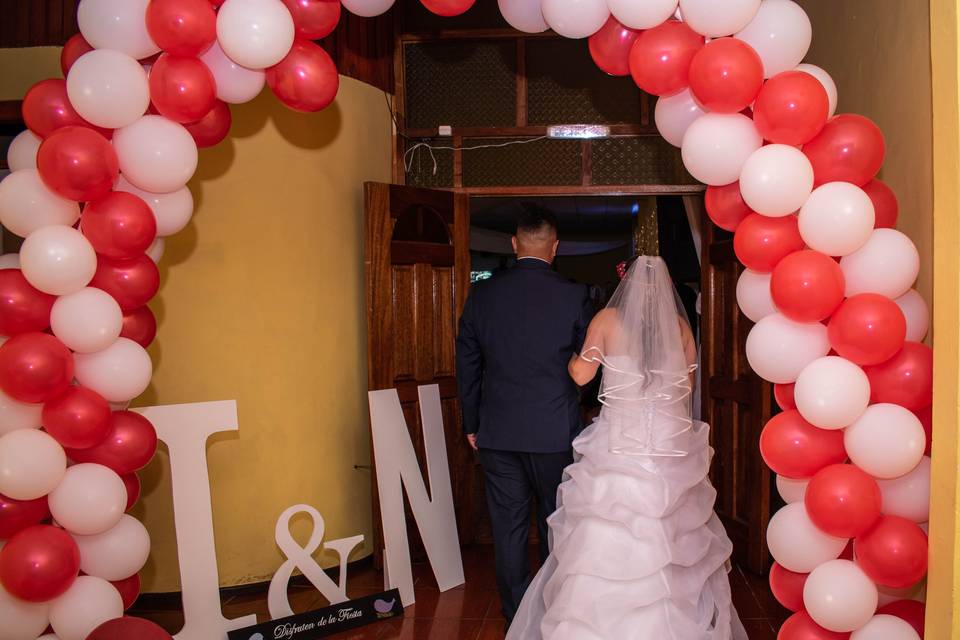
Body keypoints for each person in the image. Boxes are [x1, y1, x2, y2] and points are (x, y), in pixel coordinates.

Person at [506, 255, 747, 640]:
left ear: (626, 286)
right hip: (666, 443)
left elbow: (581, 374)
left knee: (606, 528)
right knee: (667, 527)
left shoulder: (606, 321)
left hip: (619, 443)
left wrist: (571, 360)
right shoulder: (680, 327)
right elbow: (686, 390)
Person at [456, 203, 593, 627]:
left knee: (508, 527)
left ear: (515, 245)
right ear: (555, 247)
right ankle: (554, 610)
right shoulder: (574, 296)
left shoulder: (483, 295)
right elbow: (588, 367)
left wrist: (472, 423)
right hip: (554, 431)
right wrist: (581, 409)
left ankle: (516, 614)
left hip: (497, 431)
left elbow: (468, 363)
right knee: (556, 521)